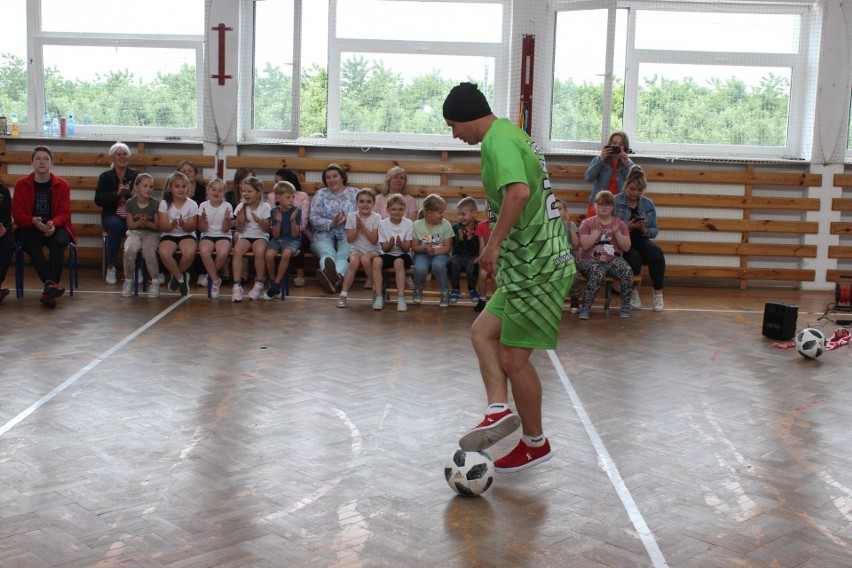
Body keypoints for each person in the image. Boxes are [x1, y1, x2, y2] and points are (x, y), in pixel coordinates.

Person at [444, 82, 574, 473]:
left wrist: (494, 243)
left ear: (468, 117)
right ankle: (499, 410)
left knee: (514, 359)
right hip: (527, 268)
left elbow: (517, 192)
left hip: (539, 269)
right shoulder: (512, 134)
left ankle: (536, 443)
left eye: (453, 125)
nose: (454, 134)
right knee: (482, 332)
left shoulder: (497, 142)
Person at [12, 145, 76, 308]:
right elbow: (18, 215)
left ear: (52, 163)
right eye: (38, 158)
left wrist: (53, 223)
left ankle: (49, 288)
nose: (42, 162)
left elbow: (65, 213)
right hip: (30, 226)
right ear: (31, 162)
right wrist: (33, 221)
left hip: (54, 226)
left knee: (58, 242)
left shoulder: (62, 185)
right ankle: (51, 285)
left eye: (46, 158)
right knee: (30, 243)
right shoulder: (21, 184)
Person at [614, 165, 665, 312]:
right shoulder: (616, 201)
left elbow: (654, 230)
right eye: (632, 189)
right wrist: (627, 227)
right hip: (623, 240)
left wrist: (644, 229)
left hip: (641, 238)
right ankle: (633, 292)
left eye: (639, 190)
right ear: (625, 186)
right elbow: (609, 227)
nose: (635, 193)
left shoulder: (648, 204)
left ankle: (658, 294)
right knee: (634, 258)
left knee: (657, 254)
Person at [577, 190, 634, 320]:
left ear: (612, 207)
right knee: (598, 272)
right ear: (594, 206)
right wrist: (597, 232)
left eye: (607, 205)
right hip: (590, 261)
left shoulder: (620, 224)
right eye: (601, 204)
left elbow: (626, 247)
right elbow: (584, 245)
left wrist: (617, 232)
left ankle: (625, 304)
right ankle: (586, 306)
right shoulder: (587, 223)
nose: (604, 207)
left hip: (612, 260)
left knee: (626, 271)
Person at [94, 142, 139, 285]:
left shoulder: (135, 175)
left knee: (136, 227)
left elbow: (144, 197)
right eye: (118, 154)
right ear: (112, 158)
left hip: (131, 214)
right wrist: (117, 194)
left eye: (125, 154)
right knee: (115, 225)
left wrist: (130, 193)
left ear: (129, 157)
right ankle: (111, 267)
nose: (122, 157)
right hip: (111, 215)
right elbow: (98, 200)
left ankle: (136, 269)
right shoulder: (105, 176)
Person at [309, 163, 357, 293]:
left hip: (348, 234)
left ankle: (333, 277)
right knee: (327, 253)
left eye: (335, 176)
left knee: (343, 255)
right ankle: (336, 278)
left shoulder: (355, 193)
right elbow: (313, 218)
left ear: (342, 177)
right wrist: (331, 223)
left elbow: (364, 216)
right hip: (323, 234)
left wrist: (350, 220)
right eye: (328, 177)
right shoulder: (321, 194)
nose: (332, 180)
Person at [337, 189, 383, 309]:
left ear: (373, 203)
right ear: (356, 203)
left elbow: (374, 240)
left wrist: (362, 226)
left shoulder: (377, 217)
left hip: (373, 249)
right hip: (356, 248)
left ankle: (375, 290)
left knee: (365, 259)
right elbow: (350, 240)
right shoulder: (352, 216)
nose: (365, 204)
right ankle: (343, 295)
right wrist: (357, 228)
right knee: (353, 261)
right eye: (361, 201)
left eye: (368, 201)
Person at [157, 171, 198, 297]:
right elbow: (162, 226)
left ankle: (176, 276)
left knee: (190, 252)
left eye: (183, 186)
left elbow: (193, 226)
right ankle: (181, 278)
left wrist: (183, 224)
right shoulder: (164, 203)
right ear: (170, 188)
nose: (181, 189)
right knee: (164, 252)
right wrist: (172, 225)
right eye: (177, 186)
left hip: (187, 234)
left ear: (188, 188)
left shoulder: (192, 204)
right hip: (169, 234)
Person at [231, 176, 271, 302]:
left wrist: (260, 221)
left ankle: (259, 282)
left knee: (259, 251)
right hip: (245, 235)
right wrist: (240, 222)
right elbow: (240, 230)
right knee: (237, 251)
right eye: (243, 191)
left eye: (249, 191)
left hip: (260, 235)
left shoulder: (265, 207)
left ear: (258, 193)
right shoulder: (241, 207)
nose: (245, 194)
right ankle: (237, 285)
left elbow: (266, 229)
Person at [269, 168, 311, 287]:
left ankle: (299, 274)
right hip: (278, 231)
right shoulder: (272, 196)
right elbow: (273, 217)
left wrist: (291, 221)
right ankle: (271, 277)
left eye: (278, 182)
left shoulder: (302, 196)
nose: (275, 185)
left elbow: (303, 223)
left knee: (299, 238)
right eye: (275, 182)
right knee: (271, 239)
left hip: (297, 231)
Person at [122, 173, 161, 298]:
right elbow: (130, 225)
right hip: (135, 233)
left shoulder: (155, 204)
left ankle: (155, 282)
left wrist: (147, 223)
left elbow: (157, 226)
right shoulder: (130, 203)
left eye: (151, 186)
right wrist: (139, 222)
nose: (149, 189)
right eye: (145, 186)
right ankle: (128, 280)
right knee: (129, 250)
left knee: (149, 251)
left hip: (151, 234)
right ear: (136, 187)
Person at [411, 194, 453, 307]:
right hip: (422, 254)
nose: (442, 215)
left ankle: (444, 291)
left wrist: (434, 252)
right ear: (429, 213)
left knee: (438, 266)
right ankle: (418, 287)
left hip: (441, 254)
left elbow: (448, 247)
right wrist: (425, 248)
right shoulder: (416, 225)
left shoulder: (446, 225)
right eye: (440, 212)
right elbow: (414, 247)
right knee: (420, 268)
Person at [582, 131, 635, 219]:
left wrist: (626, 164)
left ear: (625, 147)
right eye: (614, 143)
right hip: (598, 205)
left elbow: (635, 183)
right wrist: (601, 159)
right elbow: (588, 177)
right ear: (609, 145)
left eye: (620, 144)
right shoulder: (599, 159)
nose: (617, 146)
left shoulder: (628, 163)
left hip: (618, 207)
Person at [264, 181, 301, 300]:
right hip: (278, 239)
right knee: (269, 254)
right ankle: (272, 280)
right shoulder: (274, 212)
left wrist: (292, 221)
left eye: (293, 197)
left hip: (291, 240)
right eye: (288, 197)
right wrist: (278, 221)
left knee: (286, 253)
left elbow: (295, 235)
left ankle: (276, 284)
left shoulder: (297, 211)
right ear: (278, 197)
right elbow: (275, 236)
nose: (291, 200)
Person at [377, 194, 414, 312]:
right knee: (376, 261)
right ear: (388, 210)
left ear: (404, 209)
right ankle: (378, 296)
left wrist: (400, 244)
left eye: (400, 209)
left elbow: (407, 249)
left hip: (404, 255)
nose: (397, 212)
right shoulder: (383, 223)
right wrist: (390, 244)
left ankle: (401, 298)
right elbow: (385, 248)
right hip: (389, 253)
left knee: (398, 262)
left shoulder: (408, 223)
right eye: (393, 209)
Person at [197, 178, 233, 299]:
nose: (217, 193)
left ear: (224, 193)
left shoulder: (227, 205)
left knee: (223, 252)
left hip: (223, 235)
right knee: (204, 251)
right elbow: (202, 229)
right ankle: (215, 280)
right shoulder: (203, 205)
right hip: (207, 235)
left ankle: (209, 277)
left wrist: (227, 220)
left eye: (220, 190)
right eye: (214, 189)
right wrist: (202, 219)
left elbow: (225, 230)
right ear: (208, 190)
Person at [448, 196, 483, 305]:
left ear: (474, 214)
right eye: (459, 214)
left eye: (463, 214)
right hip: (459, 256)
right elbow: (455, 249)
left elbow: (479, 246)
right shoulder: (456, 228)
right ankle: (455, 289)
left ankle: (472, 289)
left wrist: (470, 239)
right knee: (453, 262)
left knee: (472, 265)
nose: (460, 217)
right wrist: (460, 240)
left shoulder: (479, 226)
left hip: (473, 256)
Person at [555, 198, 581, 313]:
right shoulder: (545, 226)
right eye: (553, 209)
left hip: (568, 257)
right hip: (552, 258)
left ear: (565, 212)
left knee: (573, 271)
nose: (556, 211)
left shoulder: (569, 225)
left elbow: (576, 245)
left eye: (559, 209)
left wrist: (570, 226)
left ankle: (574, 298)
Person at [473, 215, 493, 313]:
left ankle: (494, 300)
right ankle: (482, 299)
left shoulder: (501, 224)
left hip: (498, 258)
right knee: (482, 275)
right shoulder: (481, 226)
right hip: (486, 257)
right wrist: (481, 259)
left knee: (495, 276)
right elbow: (482, 246)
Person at [0, 182, 12, 303]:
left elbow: (7, 216)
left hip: (1, 229)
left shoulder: (3, 190)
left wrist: (3, 225)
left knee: (9, 244)